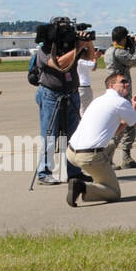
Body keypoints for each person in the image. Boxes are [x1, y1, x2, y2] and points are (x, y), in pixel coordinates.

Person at [65, 72, 136, 206]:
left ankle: (98, 179)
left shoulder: (98, 100)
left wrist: (131, 110)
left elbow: (113, 132)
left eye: (127, 81)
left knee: (108, 147)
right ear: (111, 86)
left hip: (71, 152)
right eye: (122, 82)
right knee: (113, 193)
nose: (127, 84)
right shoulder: (120, 102)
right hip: (89, 157)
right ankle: (82, 187)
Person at [33, 27, 91, 187]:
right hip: (51, 94)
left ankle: (74, 172)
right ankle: (44, 173)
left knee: (73, 136)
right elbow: (58, 63)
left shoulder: (72, 48)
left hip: (71, 93)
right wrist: (78, 47)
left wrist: (87, 43)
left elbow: (91, 58)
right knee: (50, 134)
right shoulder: (45, 49)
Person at [103, 26, 136, 168]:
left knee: (120, 125)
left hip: (113, 89)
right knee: (127, 125)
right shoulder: (119, 52)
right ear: (123, 38)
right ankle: (122, 157)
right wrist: (135, 45)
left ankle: (113, 157)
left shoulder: (109, 51)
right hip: (122, 92)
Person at [76, 43, 101, 114]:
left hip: (76, 87)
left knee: (78, 108)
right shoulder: (81, 61)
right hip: (84, 87)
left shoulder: (75, 61)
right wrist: (95, 57)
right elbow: (94, 67)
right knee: (85, 110)